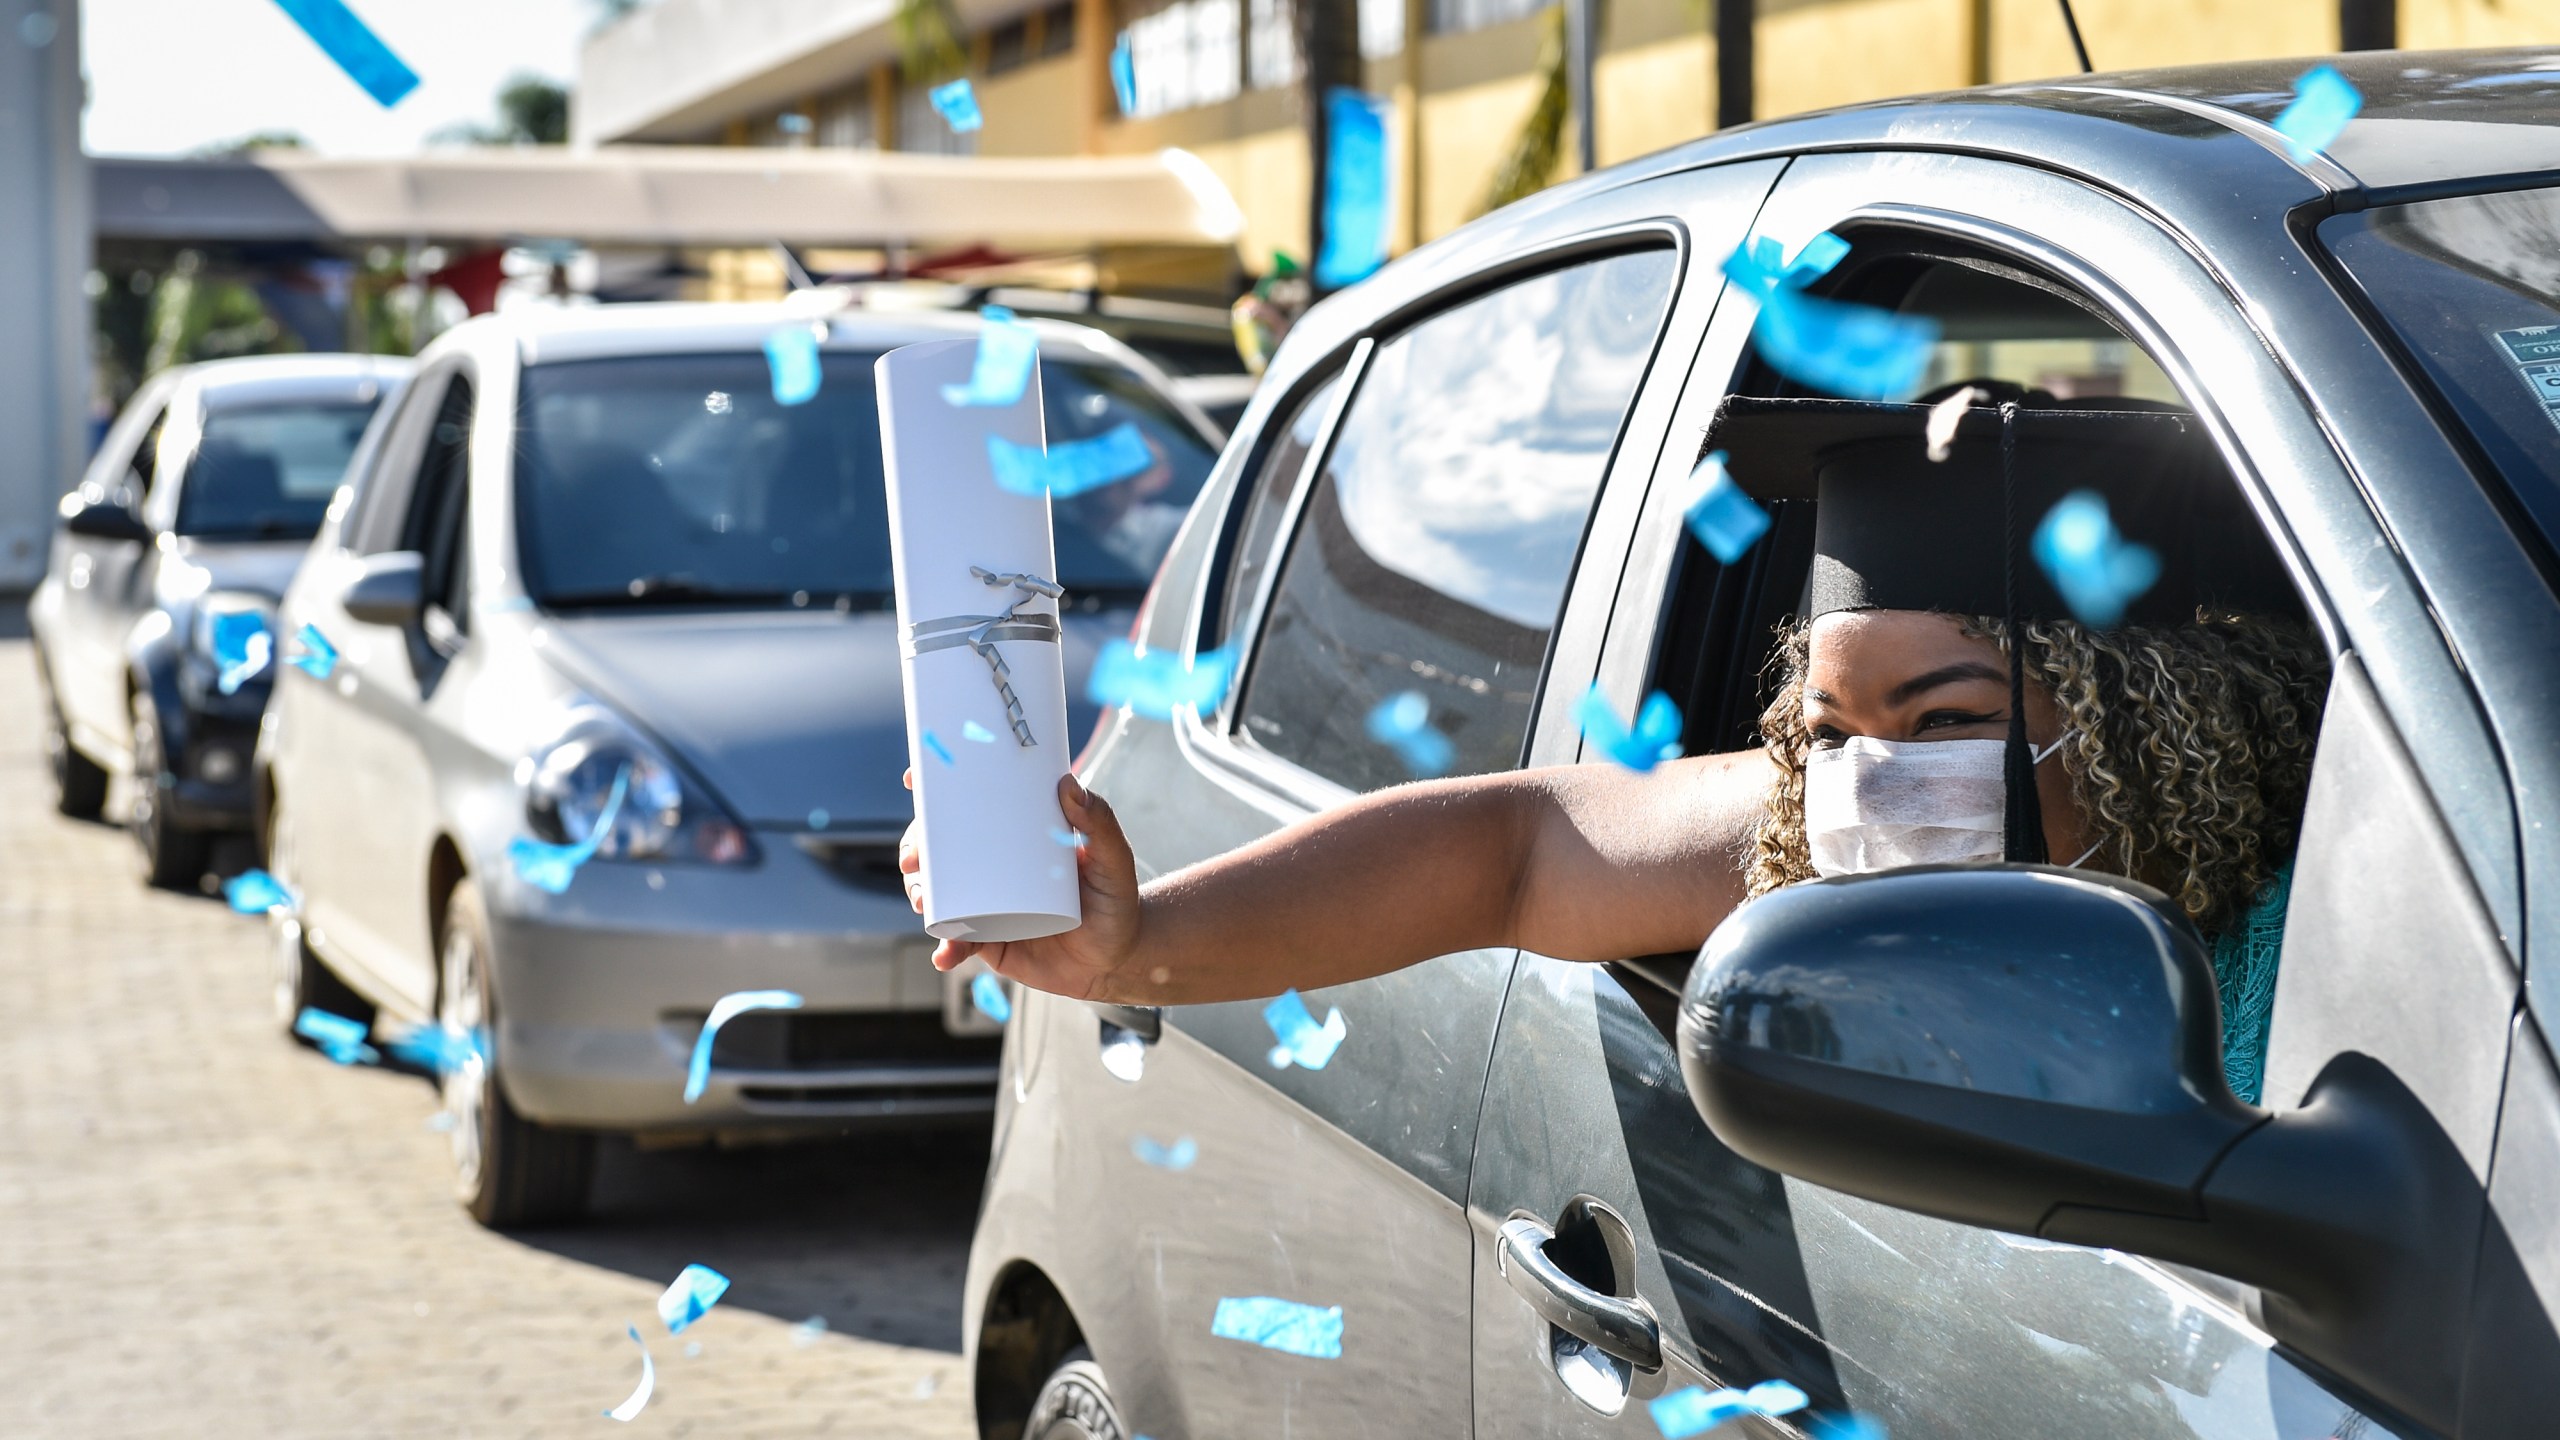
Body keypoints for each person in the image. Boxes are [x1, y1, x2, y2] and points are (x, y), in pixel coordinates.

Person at [901, 391, 2330, 1103]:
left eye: (1952, 721)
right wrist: (1133, 944)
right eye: (1829, 730)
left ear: (2158, 727)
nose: (1874, 781)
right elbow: (1511, 853)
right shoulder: (1815, 820)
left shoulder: (2348, 911)